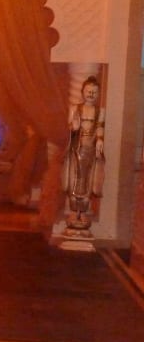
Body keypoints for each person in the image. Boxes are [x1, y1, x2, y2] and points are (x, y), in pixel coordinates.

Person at [63, 75, 105, 228]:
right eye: (88, 91)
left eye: (94, 92)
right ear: (82, 92)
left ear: (98, 93)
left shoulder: (100, 111)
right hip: (77, 148)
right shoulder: (75, 108)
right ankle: (74, 210)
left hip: (91, 149)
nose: (91, 94)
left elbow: (99, 127)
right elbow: (71, 127)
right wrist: (74, 126)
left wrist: (100, 139)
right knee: (75, 178)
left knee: (88, 179)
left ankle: (84, 211)